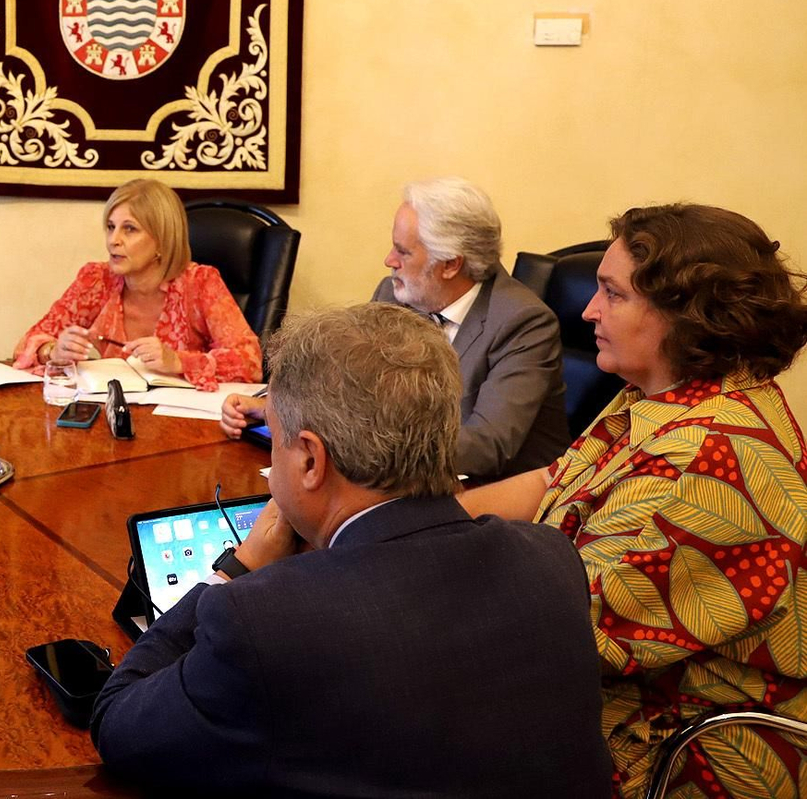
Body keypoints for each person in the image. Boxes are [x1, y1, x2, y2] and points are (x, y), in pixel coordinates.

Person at [91, 303, 611, 794]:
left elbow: (118, 723)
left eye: (276, 438)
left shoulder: (263, 620)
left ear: (311, 461)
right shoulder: (548, 558)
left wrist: (239, 566)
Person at [462, 204, 807, 798]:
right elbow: (554, 480)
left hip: (678, 751)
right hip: (612, 690)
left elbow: (562, 628)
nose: (588, 311)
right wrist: (408, 520)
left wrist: (393, 559)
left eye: (612, 294)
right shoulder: (662, 395)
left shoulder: (710, 460)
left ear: (688, 316)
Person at [223, 176, 569, 480]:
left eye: (403, 252)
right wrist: (277, 407)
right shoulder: (394, 293)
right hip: (410, 485)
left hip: (497, 501)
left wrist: (355, 447)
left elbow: (486, 446)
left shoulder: (523, 323)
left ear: (450, 264)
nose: (389, 261)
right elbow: (343, 380)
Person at [13, 179, 260, 391]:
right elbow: (28, 343)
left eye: (129, 229)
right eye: (111, 227)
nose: (113, 241)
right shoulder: (96, 278)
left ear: (163, 240)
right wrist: (53, 351)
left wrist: (177, 362)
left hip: (183, 424)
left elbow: (250, 363)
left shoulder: (201, 283)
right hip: (111, 416)